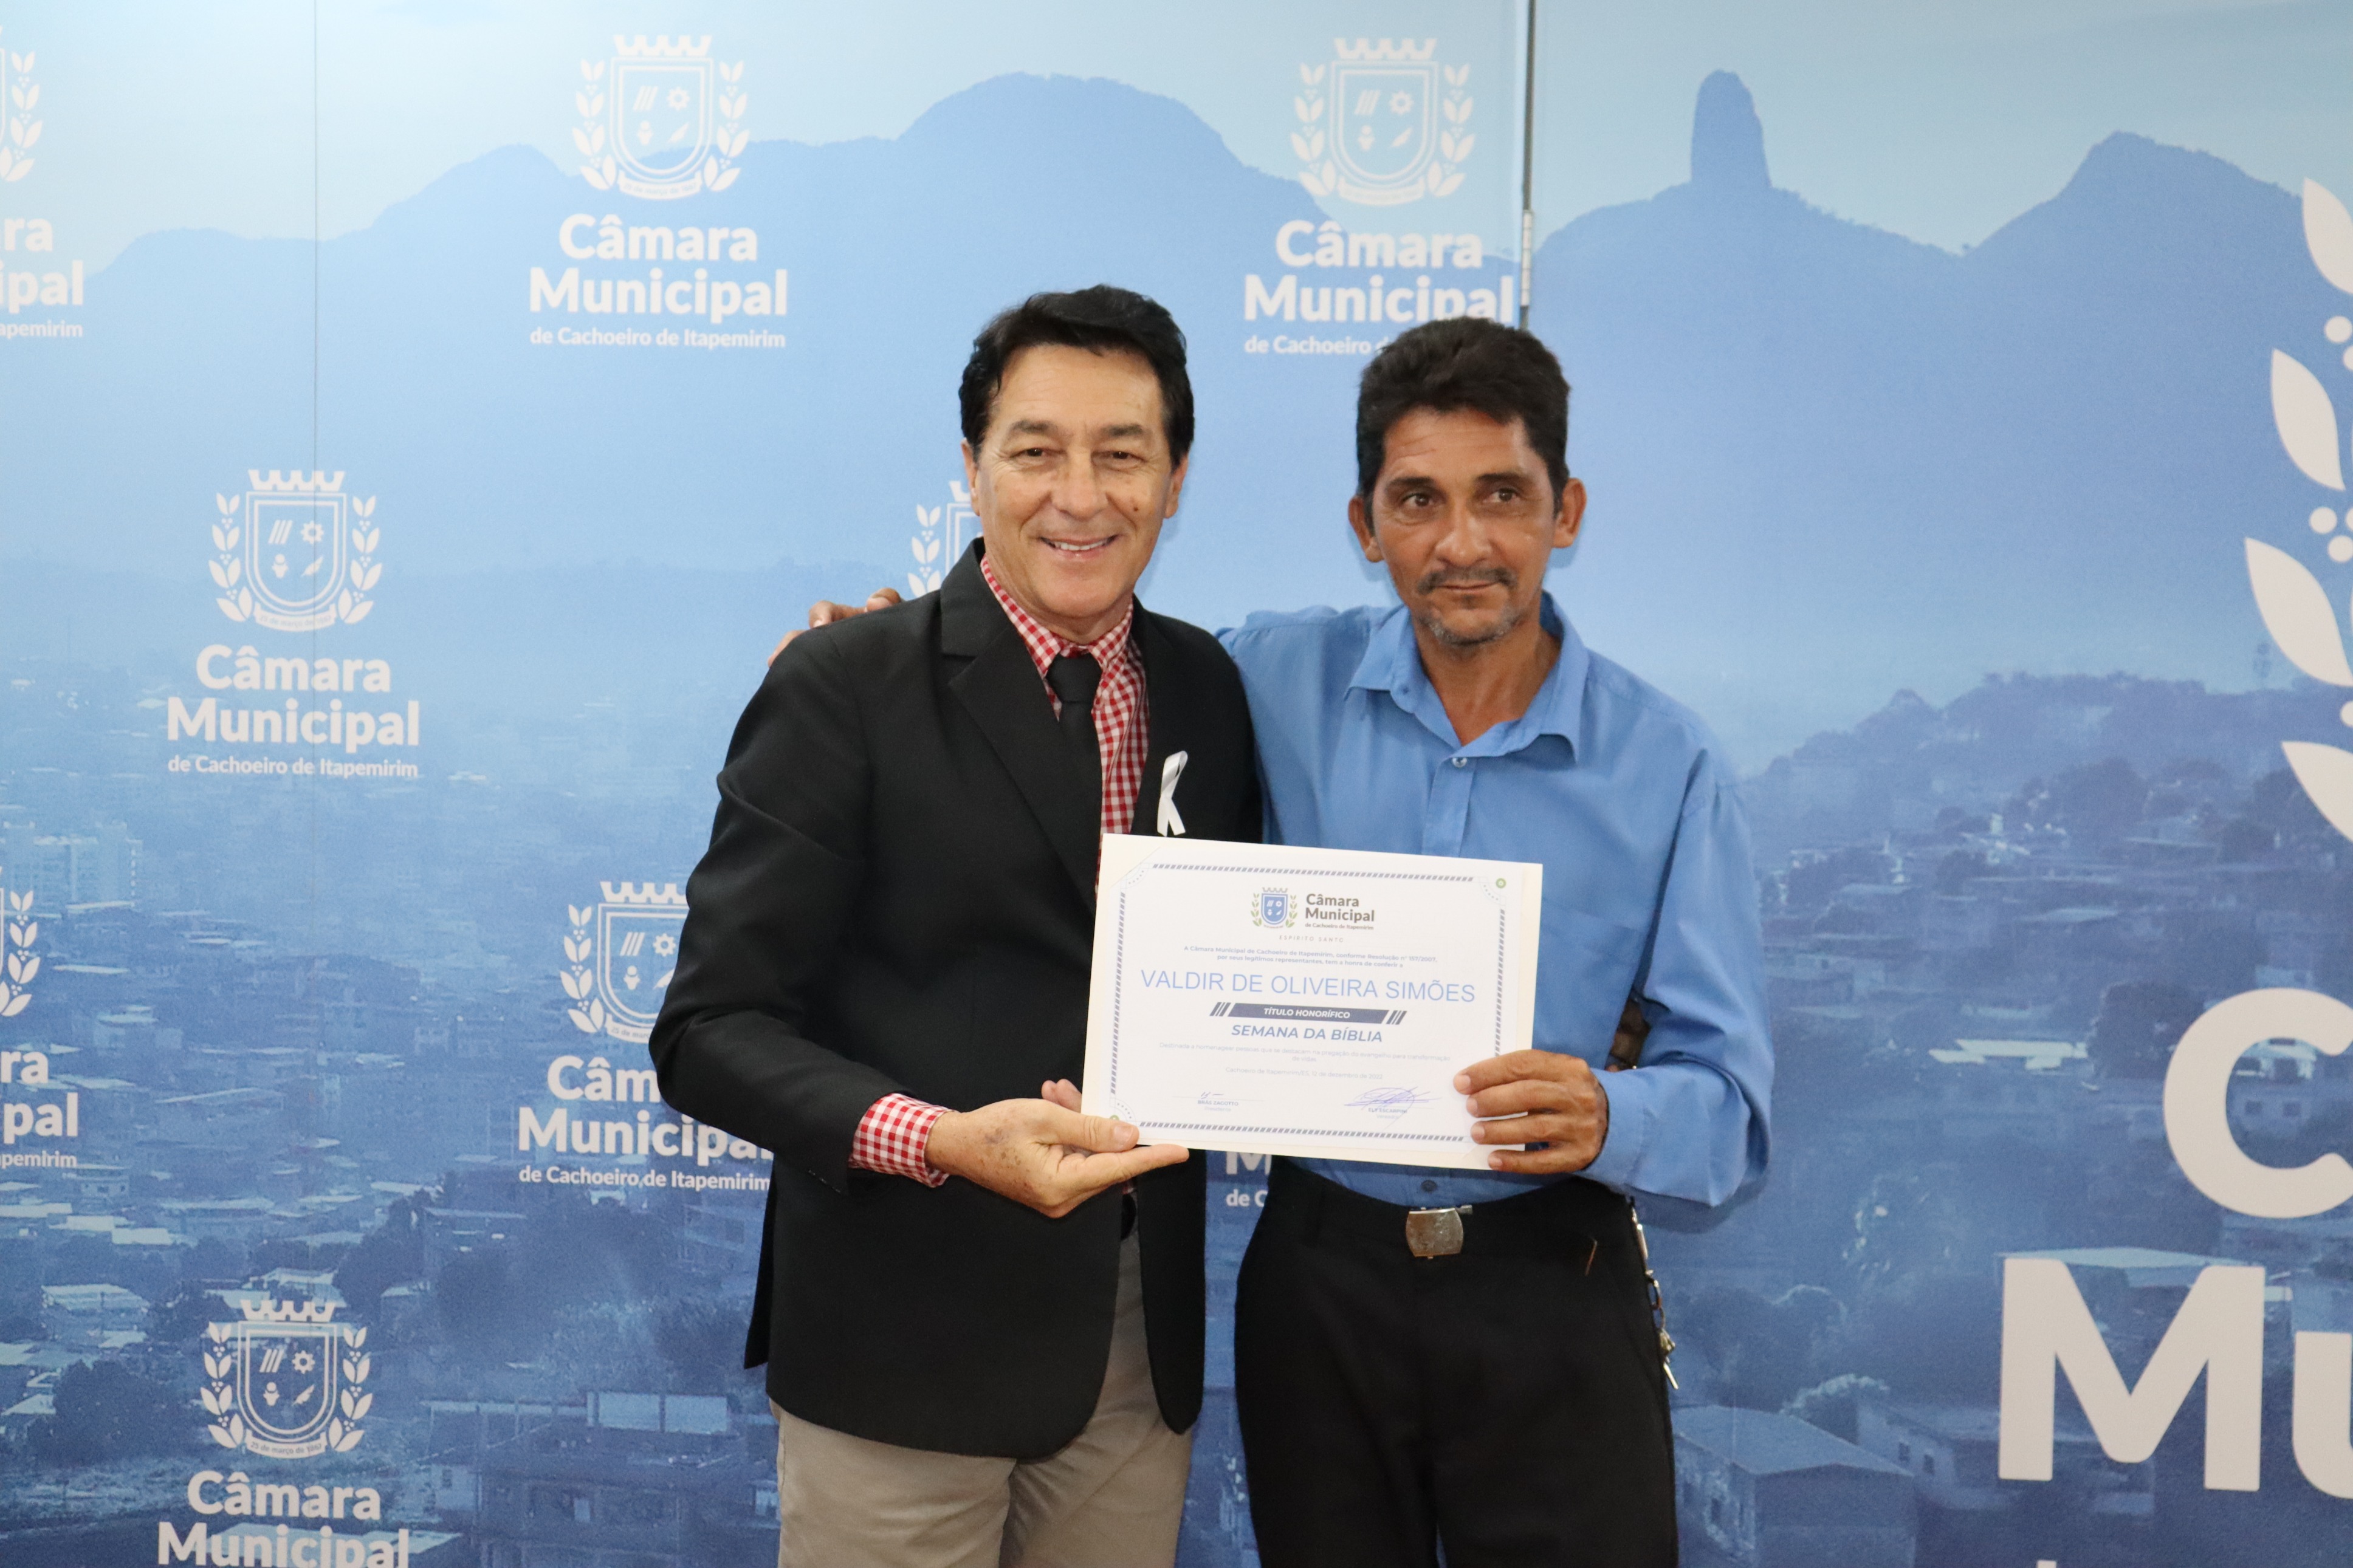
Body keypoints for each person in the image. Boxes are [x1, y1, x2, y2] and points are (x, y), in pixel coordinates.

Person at [791, 317, 1772, 1568]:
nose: (1461, 542)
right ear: (1364, 525)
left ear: (1564, 510)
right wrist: (889, 657)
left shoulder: (1667, 763)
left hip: (1553, 1278)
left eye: (1502, 495)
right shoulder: (1263, 678)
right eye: (1416, 500)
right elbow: (1071, 665)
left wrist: (1611, 1115)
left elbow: (1730, 1114)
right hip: (1320, 1284)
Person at [651, 284, 1263, 1568]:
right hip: (898, 1354)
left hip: (1130, 1358)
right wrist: (938, 1138)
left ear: (1176, 480)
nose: (1079, 496)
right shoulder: (845, 683)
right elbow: (708, 1031)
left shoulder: (1209, 686)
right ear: (974, 470)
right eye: (1036, 451)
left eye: (1122, 454)